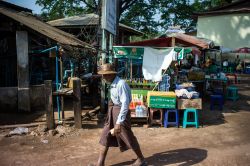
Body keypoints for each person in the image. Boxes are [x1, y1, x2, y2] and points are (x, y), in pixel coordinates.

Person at [92, 63, 146, 166]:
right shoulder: (112, 84)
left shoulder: (121, 84)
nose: (104, 77)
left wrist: (119, 122)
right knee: (105, 136)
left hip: (121, 113)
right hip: (113, 112)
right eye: (103, 75)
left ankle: (141, 159)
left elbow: (125, 105)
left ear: (112, 74)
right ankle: (100, 163)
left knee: (128, 137)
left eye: (106, 75)